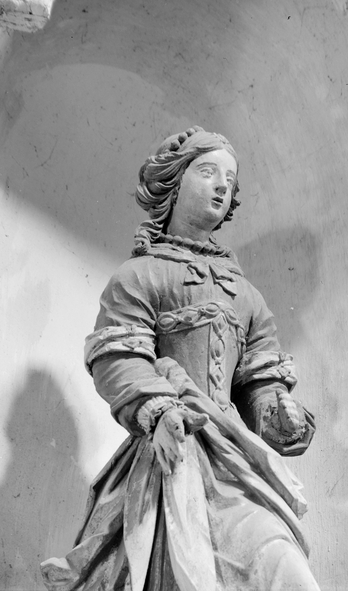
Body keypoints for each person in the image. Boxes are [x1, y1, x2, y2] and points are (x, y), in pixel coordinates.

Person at [41, 126, 320, 591]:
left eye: (229, 180)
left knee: (285, 567)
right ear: (174, 182)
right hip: (170, 453)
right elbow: (119, 359)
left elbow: (259, 388)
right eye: (207, 172)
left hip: (233, 466)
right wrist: (159, 411)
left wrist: (279, 414)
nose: (221, 186)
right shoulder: (139, 275)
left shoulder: (246, 296)